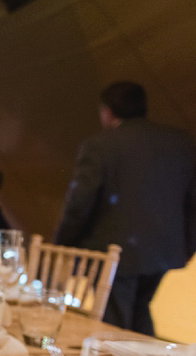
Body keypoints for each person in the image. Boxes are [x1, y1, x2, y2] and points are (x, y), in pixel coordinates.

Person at [55, 81, 196, 335]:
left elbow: (81, 202)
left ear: (107, 111)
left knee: (114, 323)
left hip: (116, 251)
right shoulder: (181, 142)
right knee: (141, 310)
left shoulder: (101, 145)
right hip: (164, 250)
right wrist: (188, 245)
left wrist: (63, 243)